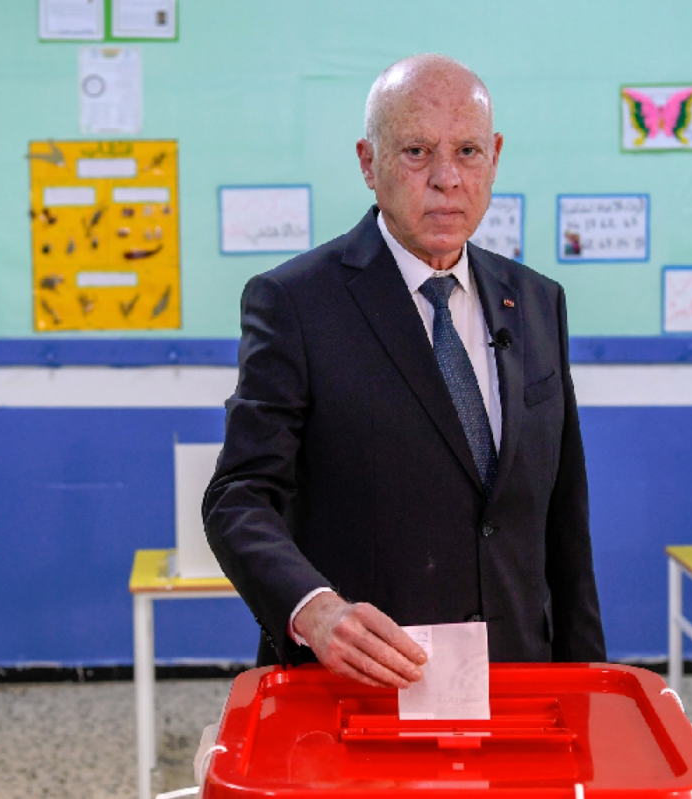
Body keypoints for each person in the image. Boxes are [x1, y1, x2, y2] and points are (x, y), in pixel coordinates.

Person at [203, 53, 605, 690]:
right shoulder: (296, 303)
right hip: (367, 684)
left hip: (519, 679)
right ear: (369, 162)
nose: (447, 178)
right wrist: (315, 610)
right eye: (417, 152)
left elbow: (563, 518)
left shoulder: (535, 301)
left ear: (495, 157)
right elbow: (238, 497)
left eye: (468, 151)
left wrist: (588, 683)